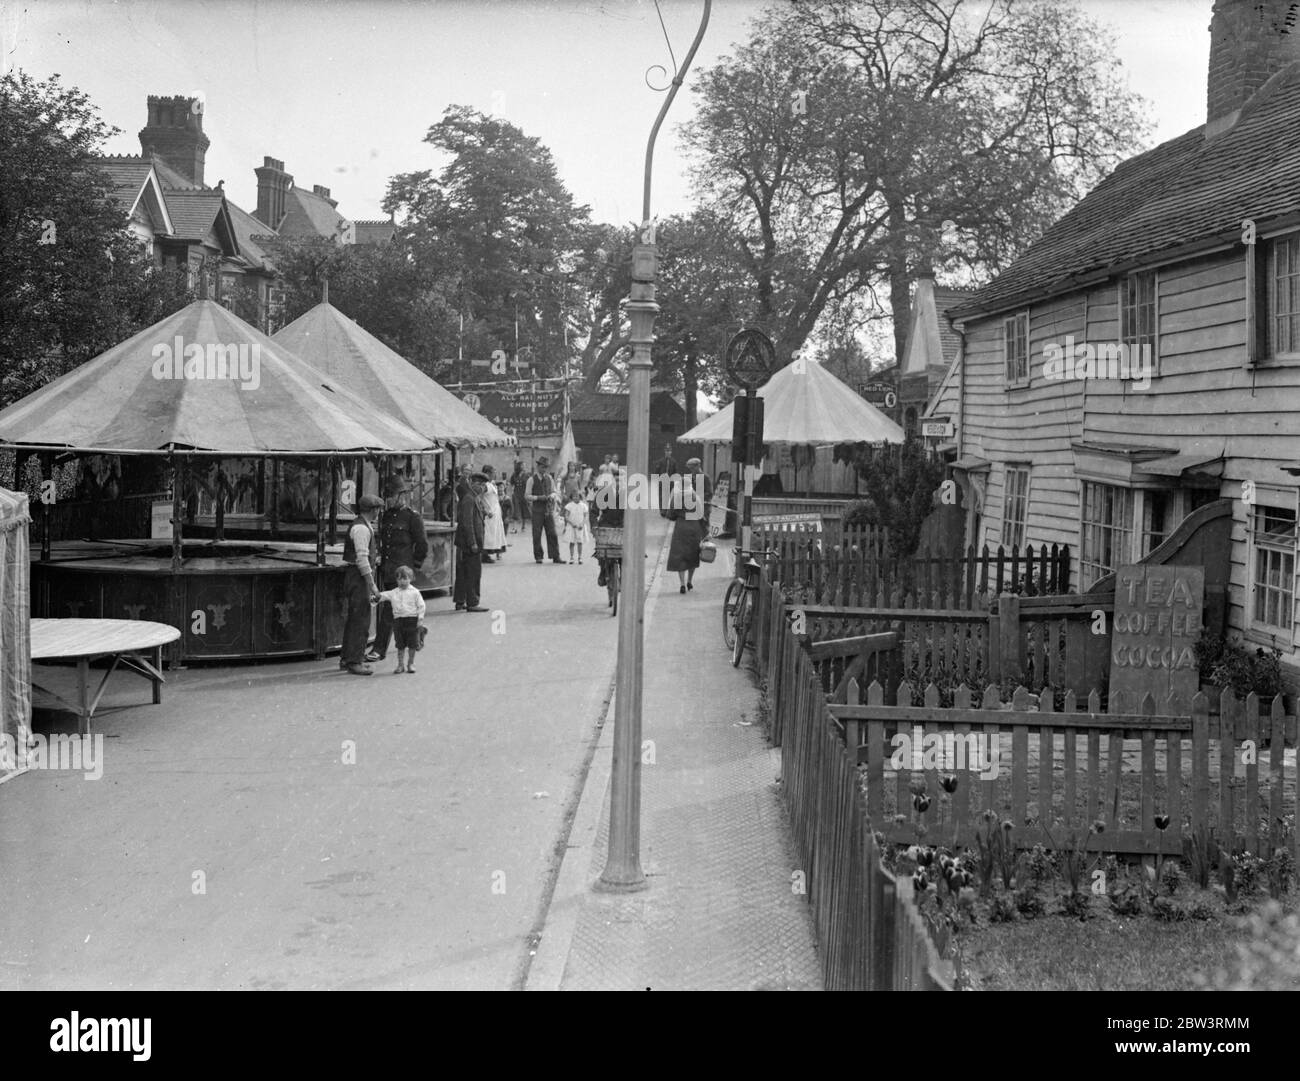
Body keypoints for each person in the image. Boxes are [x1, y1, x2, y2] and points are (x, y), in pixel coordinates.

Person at [366, 476, 429, 664]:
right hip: (388, 568)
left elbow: (423, 545)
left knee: (389, 609)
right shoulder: (386, 516)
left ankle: (379, 649)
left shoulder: (412, 517)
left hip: (403, 572)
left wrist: (413, 567)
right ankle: (418, 633)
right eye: (387, 496)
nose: (389, 500)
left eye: (391, 496)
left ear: (402, 496)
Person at [340, 493, 384, 675]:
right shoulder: (362, 529)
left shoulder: (362, 525)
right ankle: (354, 661)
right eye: (377, 509)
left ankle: (347, 658)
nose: (379, 513)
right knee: (361, 620)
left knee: (355, 617)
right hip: (359, 578)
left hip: (355, 576)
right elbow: (362, 560)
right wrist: (372, 584)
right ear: (372, 510)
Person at [666, 457, 712, 594]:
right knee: (692, 555)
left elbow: (670, 514)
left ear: (698, 466)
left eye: (692, 467)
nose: (690, 470)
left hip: (681, 527)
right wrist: (705, 529)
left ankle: (682, 583)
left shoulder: (678, 495)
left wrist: (678, 516)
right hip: (694, 526)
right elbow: (700, 514)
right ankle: (689, 581)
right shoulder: (694, 495)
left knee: (680, 556)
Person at [377, 565, 426, 674]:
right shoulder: (394, 592)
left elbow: (421, 606)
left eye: (405, 578)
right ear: (396, 580)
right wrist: (376, 596)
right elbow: (383, 596)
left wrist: (420, 619)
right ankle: (400, 665)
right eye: (400, 579)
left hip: (412, 620)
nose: (402, 582)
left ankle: (411, 663)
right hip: (398, 622)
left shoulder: (415, 592)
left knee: (412, 644)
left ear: (411, 579)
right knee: (400, 644)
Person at [454, 473, 489, 612]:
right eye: (480, 484)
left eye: (483, 485)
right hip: (469, 543)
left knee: (463, 573)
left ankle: (460, 601)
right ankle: (473, 603)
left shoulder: (473, 498)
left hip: (465, 542)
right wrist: (473, 542)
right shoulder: (469, 499)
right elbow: (467, 522)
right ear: (473, 484)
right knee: (473, 573)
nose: (482, 487)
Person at [526, 455, 564, 564]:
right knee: (537, 534)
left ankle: (555, 556)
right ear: (538, 467)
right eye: (542, 467)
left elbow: (554, 491)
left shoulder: (549, 478)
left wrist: (552, 496)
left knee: (552, 533)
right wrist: (538, 497)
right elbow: (527, 495)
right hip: (537, 510)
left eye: (546, 467)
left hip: (548, 510)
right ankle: (538, 556)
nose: (544, 469)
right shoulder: (531, 480)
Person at [480, 464, 507, 562]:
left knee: (493, 533)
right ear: (487, 473)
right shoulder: (485, 486)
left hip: (495, 512)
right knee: (488, 534)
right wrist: (485, 510)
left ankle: (488, 554)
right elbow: (479, 497)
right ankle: (484, 555)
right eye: (493, 473)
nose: (494, 475)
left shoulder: (491, 484)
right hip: (489, 513)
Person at [562, 489, 590, 564]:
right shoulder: (569, 505)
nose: (575, 498)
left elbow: (585, 516)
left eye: (577, 496)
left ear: (580, 497)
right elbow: (566, 516)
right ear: (572, 497)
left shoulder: (583, 506)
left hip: (580, 526)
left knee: (580, 542)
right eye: (574, 496)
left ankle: (580, 557)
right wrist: (571, 523)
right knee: (572, 542)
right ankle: (571, 557)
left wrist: (582, 524)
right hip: (572, 526)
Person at [655, 442, 680, 518]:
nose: (668, 452)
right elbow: (657, 472)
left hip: (670, 483)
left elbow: (676, 472)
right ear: (664, 452)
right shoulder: (660, 461)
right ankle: (662, 510)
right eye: (666, 451)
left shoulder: (673, 462)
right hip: (662, 482)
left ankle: (664, 510)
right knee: (661, 496)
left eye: (669, 451)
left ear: (671, 452)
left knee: (667, 496)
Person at [510, 460, 528, 533]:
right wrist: (512, 492)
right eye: (523, 465)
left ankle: (523, 526)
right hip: (516, 494)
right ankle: (514, 528)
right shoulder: (514, 475)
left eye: (525, 465)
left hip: (524, 494)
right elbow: (512, 484)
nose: (524, 466)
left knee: (524, 509)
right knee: (515, 510)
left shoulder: (527, 475)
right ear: (519, 466)